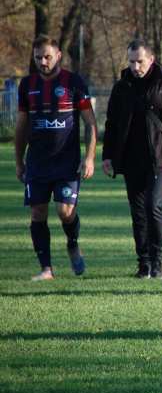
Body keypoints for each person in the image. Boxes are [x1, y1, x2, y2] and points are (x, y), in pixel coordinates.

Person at [102, 39, 162, 280]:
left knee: (153, 207)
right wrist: (107, 156)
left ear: (151, 60)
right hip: (130, 159)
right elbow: (111, 125)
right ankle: (143, 264)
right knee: (138, 213)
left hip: (160, 157)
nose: (135, 66)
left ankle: (158, 261)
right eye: (131, 61)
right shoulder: (121, 87)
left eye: (139, 61)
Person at [15, 35, 97, 281]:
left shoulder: (73, 82)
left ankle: (72, 243)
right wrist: (19, 161)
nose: (43, 61)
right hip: (38, 163)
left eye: (48, 56)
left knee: (64, 211)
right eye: (38, 57)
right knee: (38, 213)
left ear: (59, 55)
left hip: (66, 162)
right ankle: (46, 269)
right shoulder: (27, 85)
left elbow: (90, 123)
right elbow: (21, 126)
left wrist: (90, 158)